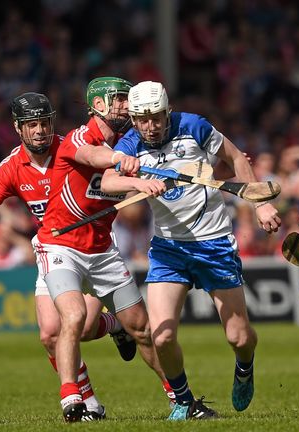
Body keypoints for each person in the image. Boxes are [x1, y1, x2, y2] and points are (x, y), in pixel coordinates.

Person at [0, 92, 167, 421]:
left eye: (45, 122)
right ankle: (86, 403)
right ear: (18, 128)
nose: (40, 130)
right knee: (51, 333)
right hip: (54, 248)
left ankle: (117, 328)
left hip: (97, 246)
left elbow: (93, 152)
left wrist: (117, 160)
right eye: (32, 125)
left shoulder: (69, 145)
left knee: (86, 328)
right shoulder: (12, 167)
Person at [101, 81, 281, 421]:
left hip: (214, 244)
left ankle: (245, 367)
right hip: (169, 249)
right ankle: (184, 400)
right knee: (162, 335)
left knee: (239, 337)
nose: (149, 126)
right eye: (141, 119)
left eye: (155, 118)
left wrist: (260, 205)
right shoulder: (130, 144)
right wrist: (137, 182)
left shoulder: (193, 126)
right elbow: (108, 181)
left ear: (167, 113)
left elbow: (236, 159)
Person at [33, 78, 170, 422]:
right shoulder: (79, 138)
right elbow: (92, 156)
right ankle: (72, 401)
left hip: (102, 249)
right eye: (119, 99)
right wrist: (122, 161)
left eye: (127, 99)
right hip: (60, 243)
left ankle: (179, 397)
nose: (126, 105)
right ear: (97, 105)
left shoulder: (133, 141)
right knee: (73, 316)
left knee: (142, 328)